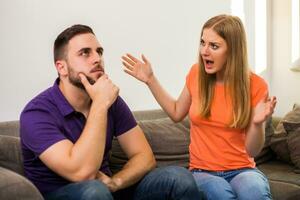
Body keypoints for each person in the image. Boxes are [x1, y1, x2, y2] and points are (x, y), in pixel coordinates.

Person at [20, 24, 203, 200]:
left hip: (106, 190)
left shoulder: (111, 101)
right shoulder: (36, 113)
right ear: (62, 67)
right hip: (64, 193)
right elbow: (82, 173)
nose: (97, 59)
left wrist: (116, 182)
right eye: (85, 53)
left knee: (178, 178)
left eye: (99, 52)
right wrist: (100, 103)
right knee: (94, 191)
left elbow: (145, 157)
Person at [122, 14, 277, 200]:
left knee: (256, 194)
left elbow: (252, 151)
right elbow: (176, 112)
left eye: (214, 46)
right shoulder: (197, 74)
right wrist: (150, 80)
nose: (204, 51)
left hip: (243, 169)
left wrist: (258, 123)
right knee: (222, 195)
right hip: (203, 171)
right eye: (203, 43)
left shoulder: (256, 85)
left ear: (233, 50)